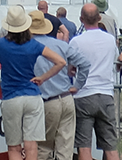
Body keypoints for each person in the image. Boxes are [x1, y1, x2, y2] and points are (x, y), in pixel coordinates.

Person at [0, 6, 66, 160]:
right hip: (32, 95)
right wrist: (43, 77)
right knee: (31, 145)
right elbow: (60, 62)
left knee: (14, 147)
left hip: (11, 96)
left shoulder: (0, 44)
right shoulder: (34, 45)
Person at [65, 3, 121, 160]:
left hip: (83, 95)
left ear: (81, 19)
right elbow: (115, 62)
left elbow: (71, 68)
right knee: (110, 147)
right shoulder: (111, 40)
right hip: (106, 94)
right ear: (99, 18)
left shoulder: (76, 42)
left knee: (84, 147)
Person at [32, 11, 75, 160]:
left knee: (43, 146)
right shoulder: (61, 45)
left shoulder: (28, 47)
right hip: (66, 97)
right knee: (65, 147)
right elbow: (84, 62)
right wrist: (77, 83)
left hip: (46, 100)